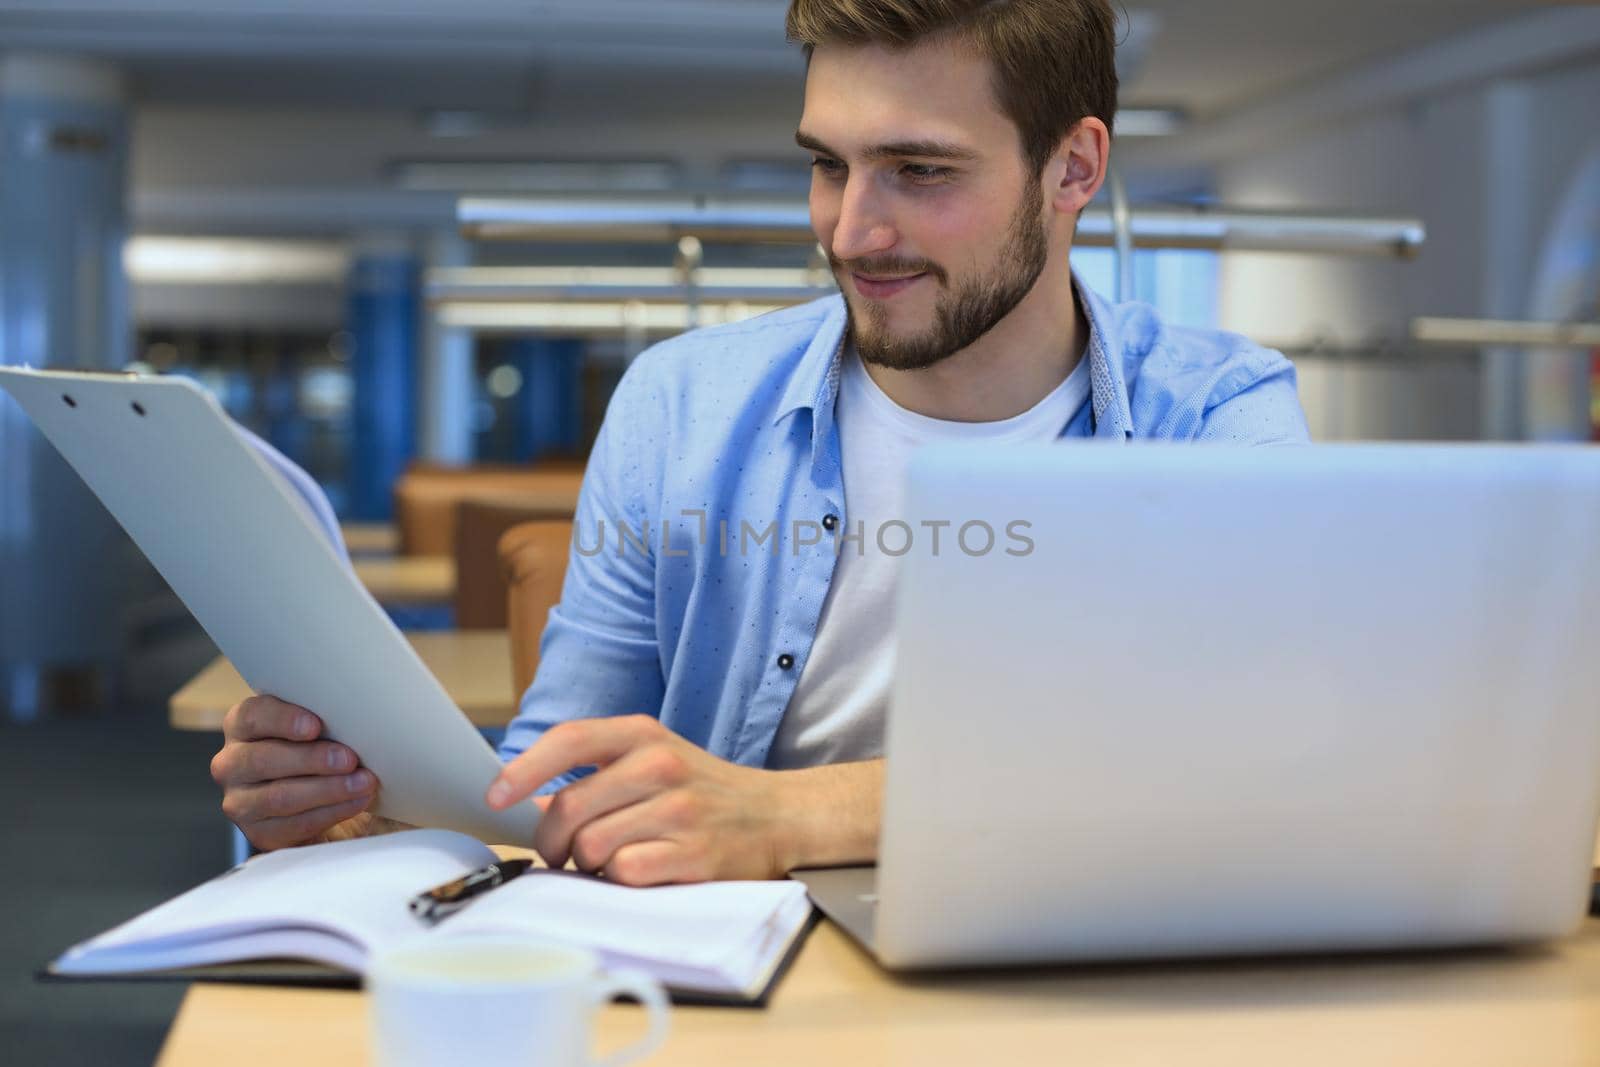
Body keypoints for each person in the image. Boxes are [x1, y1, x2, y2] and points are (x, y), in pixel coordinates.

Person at [210, 0, 1310, 883]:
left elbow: (1247, 759)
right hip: (728, 982)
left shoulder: (1219, 412)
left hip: (1084, 958)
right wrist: (358, 827)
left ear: (1073, 168)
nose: (850, 228)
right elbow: (552, 786)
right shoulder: (679, 403)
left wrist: (791, 812)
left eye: (919, 172)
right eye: (829, 164)